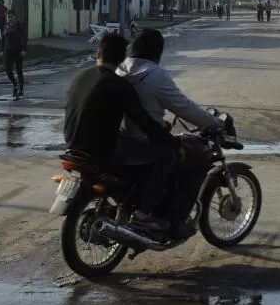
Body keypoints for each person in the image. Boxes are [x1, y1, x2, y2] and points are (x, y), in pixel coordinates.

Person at [64, 32, 181, 232]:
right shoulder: (119, 84)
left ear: (97, 53)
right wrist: (172, 142)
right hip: (104, 150)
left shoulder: (81, 76)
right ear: (122, 59)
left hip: (71, 145)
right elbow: (144, 122)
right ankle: (143, 216)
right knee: (166, 155)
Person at [117, 29, 223, 231]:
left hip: (121, 138)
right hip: (144, 140)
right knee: (197, 157)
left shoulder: (121, 68)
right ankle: (173, 219)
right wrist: (213, 122)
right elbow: (183, 107)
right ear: (158, 51)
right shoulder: (155, 74)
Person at [1, 11, 26, 98]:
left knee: (19, 69)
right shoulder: (5, 26)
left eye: (11, 16)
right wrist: (1, 50)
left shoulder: (19, 26)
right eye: (8, 17)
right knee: (8, 69)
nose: (9, 18)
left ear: (15, 17)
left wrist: (24, 49)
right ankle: (15, 85)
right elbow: (3, 39)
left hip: (18, 50)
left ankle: (21, 89)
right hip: (9, 50)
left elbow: (24, 38)